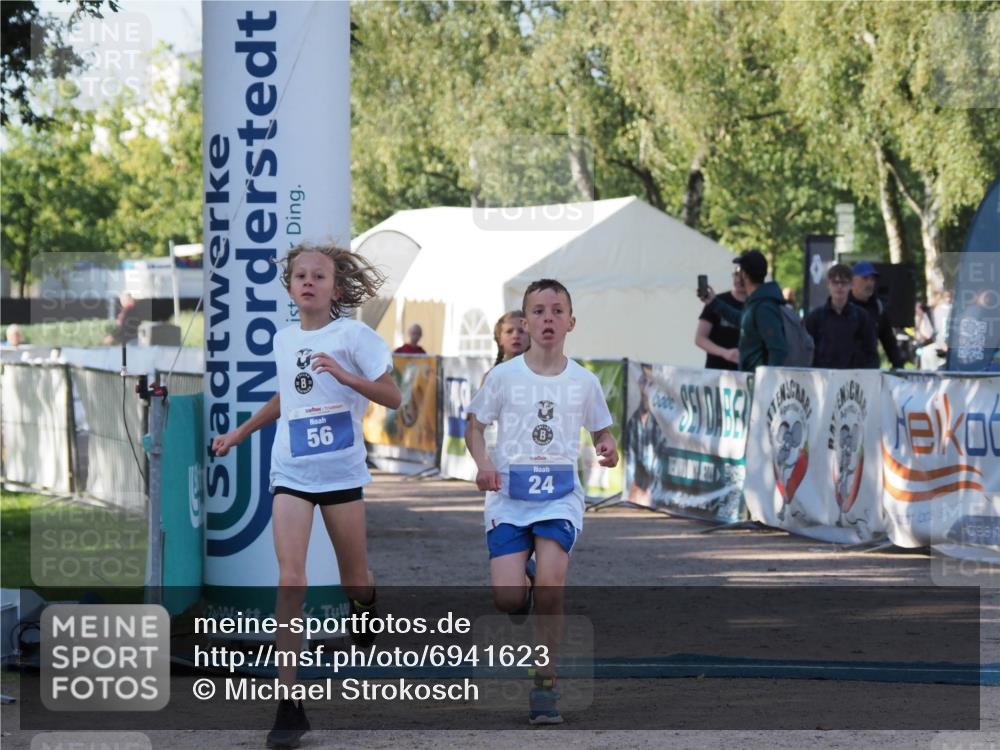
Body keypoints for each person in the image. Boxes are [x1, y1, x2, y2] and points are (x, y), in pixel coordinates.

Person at [211, 242, 401, 749]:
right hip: (291, 472)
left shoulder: (354, 336)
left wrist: (344, 376)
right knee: (291, 580)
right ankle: (290, 705)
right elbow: (286, 396)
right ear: (291, 286)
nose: (309, 281)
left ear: (336, 289)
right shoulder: (285, 336)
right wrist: (241, 432)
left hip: (341, 475)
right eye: (300, 275)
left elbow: (393, 396)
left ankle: (367, 602)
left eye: (319, 275)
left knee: (354, 581)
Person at [465, 278, 617, 725]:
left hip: (560, 497)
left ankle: (545, 683)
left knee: (553, 583)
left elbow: (602, 431)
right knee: (508, 599)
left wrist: (608, 448)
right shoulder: (503, 377)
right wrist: (483, 463)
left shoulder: (584, 381)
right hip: (509, 498)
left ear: (571, 321)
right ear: (524, 321)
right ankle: (521, 590)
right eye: (538, 311)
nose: (547, 318)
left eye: (556, 311)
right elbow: (473, 426)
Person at [696, 249, 788, 372]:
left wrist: (768, 382)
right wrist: (713, 302)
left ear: (744, 275)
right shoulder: (757, 301)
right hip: (751, 379)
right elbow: (742, 320)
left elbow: (778, 349)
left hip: (758, 382)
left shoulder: (764, 306)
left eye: (739, 271)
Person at [803, 264, 877, 369]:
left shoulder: (861, 317)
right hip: (823, 378)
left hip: (853, 379)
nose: (839, 287)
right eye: (835, 282)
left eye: (844, 282)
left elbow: (871, 352)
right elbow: (806, 351)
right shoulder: (815, 317)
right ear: (828, 284)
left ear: (851, 285)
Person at [849, 261, 905, 369]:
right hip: (842, 372)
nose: (869, 283)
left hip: (870, 371)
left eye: (872, 279)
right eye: (865, 278)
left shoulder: (878, 308)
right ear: (852, 281)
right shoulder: (841, 306)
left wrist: (899, 367)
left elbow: (889, 342)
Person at [625, 364, 665, 505]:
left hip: (652, 493)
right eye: (643, 382)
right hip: (635, 491)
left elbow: (659, 467)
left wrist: (651, 492)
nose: (646, 387)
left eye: (650, 383)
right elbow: (629, 460)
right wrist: (630, 490)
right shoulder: (633, 422)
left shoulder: (659, 425)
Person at [695, 270, 746, 369]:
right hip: (716, 373)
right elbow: (700, 338)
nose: (738, 280)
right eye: (736, 274)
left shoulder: (757, 306)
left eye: (743, 276)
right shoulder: (716, 301)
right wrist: (724, 353)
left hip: (745, 374)